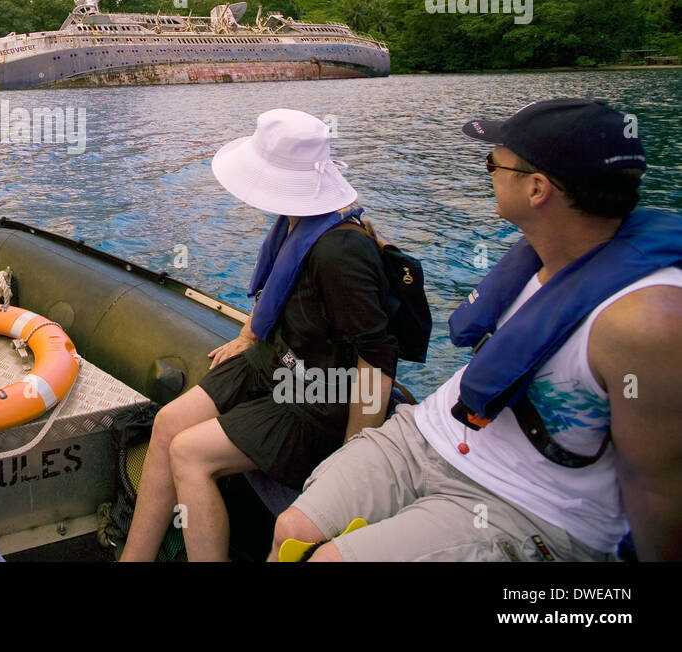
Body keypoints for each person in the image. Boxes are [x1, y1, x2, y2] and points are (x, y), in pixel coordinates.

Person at [272, 98, 682, 562]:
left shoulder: (645, 324)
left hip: (526, 504)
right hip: (429, 435)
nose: (487, 173)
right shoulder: (550, 248)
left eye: (493, 163)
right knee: (293, 529)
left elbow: (658, 487)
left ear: (537, 190)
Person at [120, 109, 397, 562]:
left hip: (313, 400)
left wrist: (354, 455)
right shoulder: (297, 221)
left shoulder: (342, 250)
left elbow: (377, 354)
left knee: (190, 453)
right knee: (169, 423)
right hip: (274, 362)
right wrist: (249, 335)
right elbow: (278, 291)